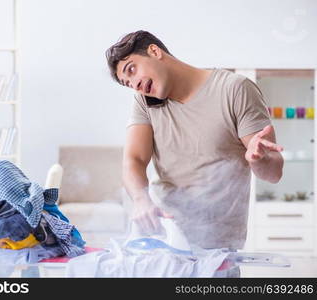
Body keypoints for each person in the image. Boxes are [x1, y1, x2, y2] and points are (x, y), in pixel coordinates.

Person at [105, 30, 284, 252]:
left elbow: (274, 174)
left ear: (154, 51)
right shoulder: (144, 103)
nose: (135, 85)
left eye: (131, 69)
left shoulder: (234, 89)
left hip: (216, 244)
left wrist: (258, 160)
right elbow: (134, 160)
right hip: (163, 237)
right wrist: (141, 199)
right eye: (128, 83)